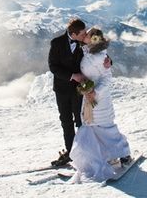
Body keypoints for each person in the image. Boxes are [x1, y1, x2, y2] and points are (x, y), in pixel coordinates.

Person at [69, 28, 132, 183]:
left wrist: (95, 92)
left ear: (94, 39)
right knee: (93, 127)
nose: (85, 36)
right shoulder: (88, 52)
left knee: (105, 127)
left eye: (89, 35)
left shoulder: (99, 57)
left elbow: (107, 78)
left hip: (100, 98)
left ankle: (124, 152)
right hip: (89, 97)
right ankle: (102, 155)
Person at [48, 18, 88, 167]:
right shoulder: (56, 43)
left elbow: (99, 52)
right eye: (83, 33)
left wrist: (108, 61)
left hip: (79, 91)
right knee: (66, 121)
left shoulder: (84, 42)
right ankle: (71, 153)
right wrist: (72, 76)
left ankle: (84, 151)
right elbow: (53, 66)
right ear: (74, 33)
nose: (85, 35)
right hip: (62, 89)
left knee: (81, 121)